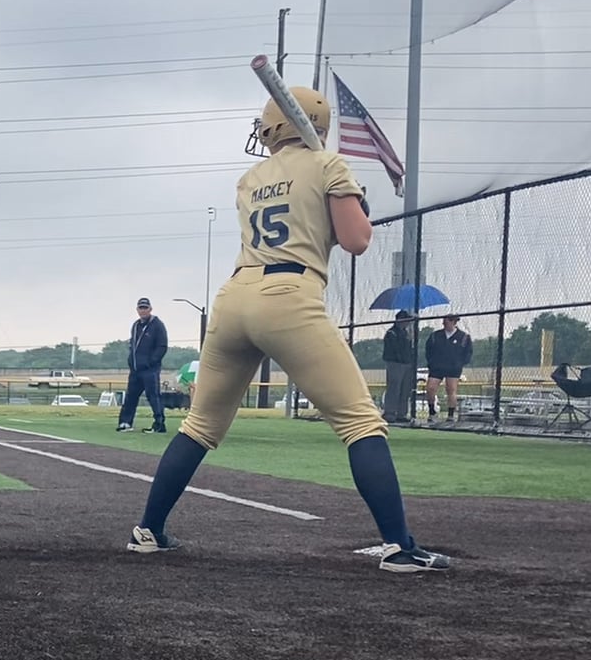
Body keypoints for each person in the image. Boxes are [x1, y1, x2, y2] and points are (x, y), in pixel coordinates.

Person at [125, 85, 450, 573]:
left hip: (235, 296)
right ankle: (399, 546)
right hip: (289, 294)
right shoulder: (328, 163)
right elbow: (356, 240)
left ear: (275, 125)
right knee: (361, 423)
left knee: (200, 426)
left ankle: (148, 531)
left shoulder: (250, 178)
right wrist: (350, 197)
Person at [116, 297, 170, 433]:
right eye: (141, 308)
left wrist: (151, 361)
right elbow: (133, 344)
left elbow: (162, 346)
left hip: (150, 370)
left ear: (150, 309)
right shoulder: (136, 325)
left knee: (153, 396)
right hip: (135, 369)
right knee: (130, 397)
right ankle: (125, 422)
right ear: (137, 310)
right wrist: (131, 361)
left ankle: (159, 424)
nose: (143, 310)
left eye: (145, 308)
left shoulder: (157, 325)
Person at [423, 313, 474, 425]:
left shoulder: (463, 337)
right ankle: (432, 412)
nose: (444, 324)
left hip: (453, 368)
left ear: (453, 322)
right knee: (430, 388)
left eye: (447, 322)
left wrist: (460, 363)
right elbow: (428, 350)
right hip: (437, 367)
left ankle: (450, 415)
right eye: (444, 322)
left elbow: (468, 353)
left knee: (451, 389)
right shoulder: (435, 336)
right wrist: (431, 363)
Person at [381, 311, 417, 423]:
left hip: (406, 364)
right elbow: (394, 350)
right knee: (394, 388)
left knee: (405, 390)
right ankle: (390, 413)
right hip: (395, 363)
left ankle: (402, 413)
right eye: (406, 320)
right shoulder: (392, 333)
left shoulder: (406, 333)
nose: (408, 323)